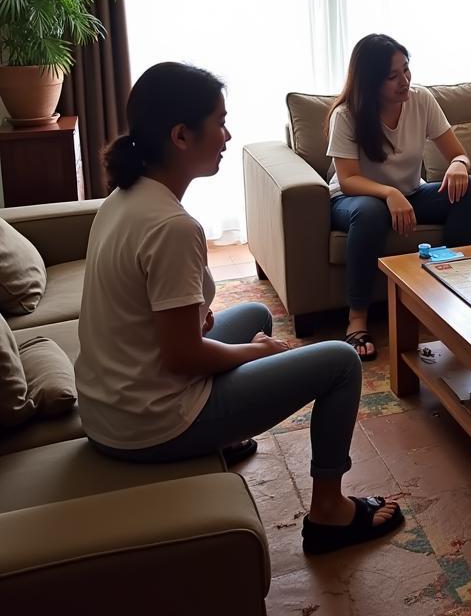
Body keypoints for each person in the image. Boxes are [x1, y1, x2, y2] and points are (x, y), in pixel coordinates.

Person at [75, 62, 403, 555]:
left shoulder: (123, 200)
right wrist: (256, 356)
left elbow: (144, 315)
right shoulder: (171, 226)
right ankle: (330, 512)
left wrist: (208, 323)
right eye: (219, 123)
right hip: (150, 424)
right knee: (338, 361)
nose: (227, 136)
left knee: (253, 316)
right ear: (181, 135)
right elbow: (182, 357)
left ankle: (225, 437)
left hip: (111, 407)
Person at [327, 33, 471, 360]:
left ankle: (454, 292)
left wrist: (458, 165)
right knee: (371, 213)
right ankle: (356, 319)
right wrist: (389, 193)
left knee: (470, 189)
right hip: (353, 200)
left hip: (409, 194)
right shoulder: (346, 115)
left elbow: (459, 154)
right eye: (393, 76)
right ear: (370, 82)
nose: (405, 81)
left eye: (406, 70)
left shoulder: (421, 100)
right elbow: (349, 179)